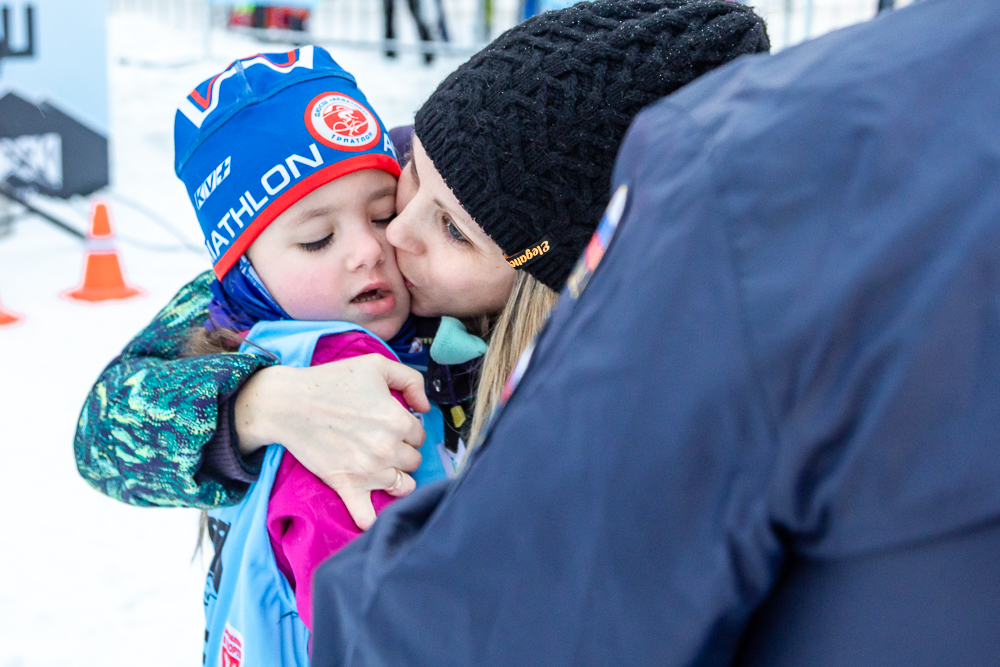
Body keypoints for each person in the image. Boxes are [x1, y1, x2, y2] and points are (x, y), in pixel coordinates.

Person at [310, 0, 1000, 664]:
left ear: (559, 274)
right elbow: (231, 294)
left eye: (452, 229)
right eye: (410, 178)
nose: (393, 232)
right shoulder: (389, 253)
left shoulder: (641, 386)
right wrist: (251, 402)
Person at [74, 0, 769, 525]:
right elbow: (103, 430)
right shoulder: (297, 261)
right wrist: (265, 405)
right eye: (411, 181)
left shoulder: (518, 245)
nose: (385, 241)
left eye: (390, 212)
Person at [173, 47, 456, 665]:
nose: (368, 251)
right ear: (245, 280)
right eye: (316, 239)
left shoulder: (423, 324)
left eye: (384, 216)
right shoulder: (337, 417)